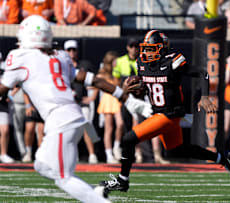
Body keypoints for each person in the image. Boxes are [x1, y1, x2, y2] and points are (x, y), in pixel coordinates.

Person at [0, 15, 151, 202]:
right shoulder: (61, 56)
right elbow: (94, 80)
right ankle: (93, 193)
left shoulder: (19, 57)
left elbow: (2, 89)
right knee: (41, 165)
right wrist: (126, 98)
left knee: (63, 178)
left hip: (61, 121)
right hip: (74, 117)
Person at [100, 30, 230, 192]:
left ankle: (122, 181)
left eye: (151, 49)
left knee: (128, 139)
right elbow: (148, 88)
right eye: (145, 48)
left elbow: (203, 73)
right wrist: (136, 89)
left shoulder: (172, 62)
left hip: (170, 114)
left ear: (162, 49)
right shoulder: (141, 64)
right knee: (177, 149)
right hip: (159, 112)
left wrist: (205, 96)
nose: (147, 52)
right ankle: (223, 157)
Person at [65, 39, 98, 164]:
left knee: (87, 126)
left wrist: (92, 97)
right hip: (68, 104)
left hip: (82, 102)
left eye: (74, 50)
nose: (72, 52)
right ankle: (72, 155)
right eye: (69, 50)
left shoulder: (83, 66)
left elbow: (96, 81)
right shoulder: (63, 67)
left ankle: (92, 154)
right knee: (70, 129)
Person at [96, 50, 123, 164]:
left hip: (116, 99)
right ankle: (108, 155)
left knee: (120, 123)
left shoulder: (117, 72)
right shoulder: (102, 74)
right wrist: (92, 97)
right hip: (107, 100)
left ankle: (116, 147)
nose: (116, 63)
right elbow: (95, 84)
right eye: (114, 61)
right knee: (109, 129)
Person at [22, 92, 45, 162]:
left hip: (43, 107)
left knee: (41, 130)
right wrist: (28, 105)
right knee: (29, 128)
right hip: (31, 106)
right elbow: (25, 91)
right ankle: (28, 153)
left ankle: (41, 155)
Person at [0, 62, 14, 163]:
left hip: (2, 104)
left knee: (5, 130)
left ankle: (3, 154)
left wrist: (10, 95)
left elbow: (16, 85)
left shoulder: (4, 73)